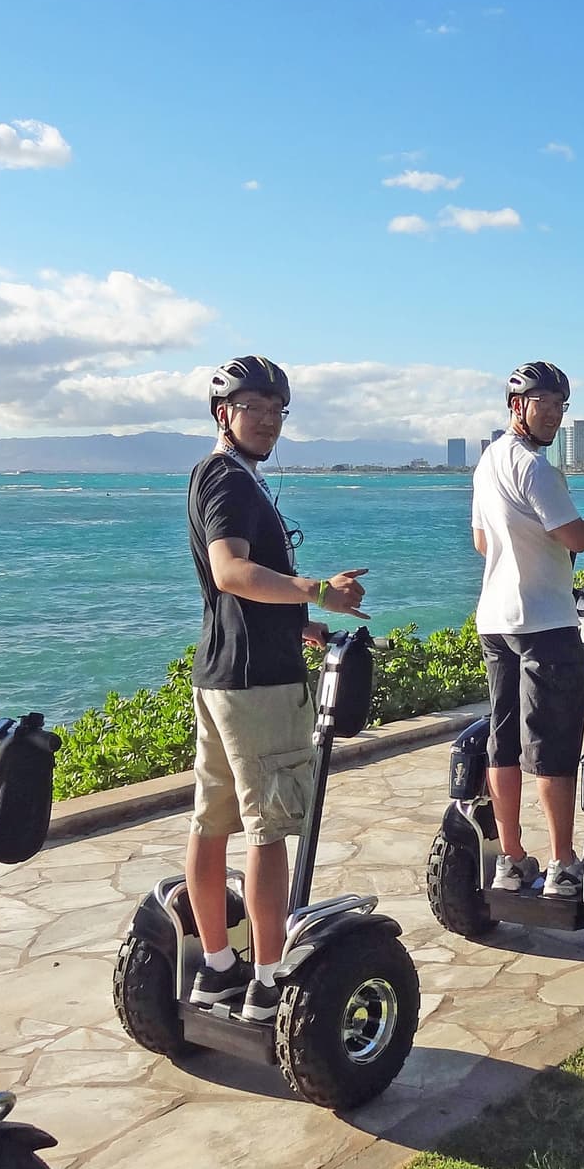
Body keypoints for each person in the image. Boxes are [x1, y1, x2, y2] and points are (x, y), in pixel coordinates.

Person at [182, 355, 370, 1022]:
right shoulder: (228, 480)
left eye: (277, 409)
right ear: (222, 413)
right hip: (257, 687)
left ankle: (216, 969)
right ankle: (266, 982)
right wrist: (317, 589)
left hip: (225, 675)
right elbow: (231, 572)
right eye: (253, 407)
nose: (267, 420)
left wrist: (299, 620)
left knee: (211, 824)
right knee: (267, 831)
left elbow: (241, 593)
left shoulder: (228, 477)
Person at [471, 361, 584, 899]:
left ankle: (512, 857)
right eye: (543, 402)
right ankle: (563, 863)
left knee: (503, 742)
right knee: (552, 745)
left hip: (495, 620)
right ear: (516, 406)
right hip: (545, 620)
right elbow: (575, 537)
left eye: (560, 404)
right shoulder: (536, 469)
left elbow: (482, 543)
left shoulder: (487, 462)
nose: (553, 413)